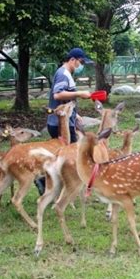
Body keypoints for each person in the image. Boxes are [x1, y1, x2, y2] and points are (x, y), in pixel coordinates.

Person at [35, 48, 93, 195]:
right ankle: (51, 184)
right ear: (72, 59)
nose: (81, 66)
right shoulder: (63, 74)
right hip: (59, 123)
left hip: (64, 121)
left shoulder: (66, 73)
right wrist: (80, 93)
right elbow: (58, 95)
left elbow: (66, 99)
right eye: (80, 62)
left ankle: (46, 182)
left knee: (61, 156)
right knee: (70, 156)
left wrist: (75, 113)